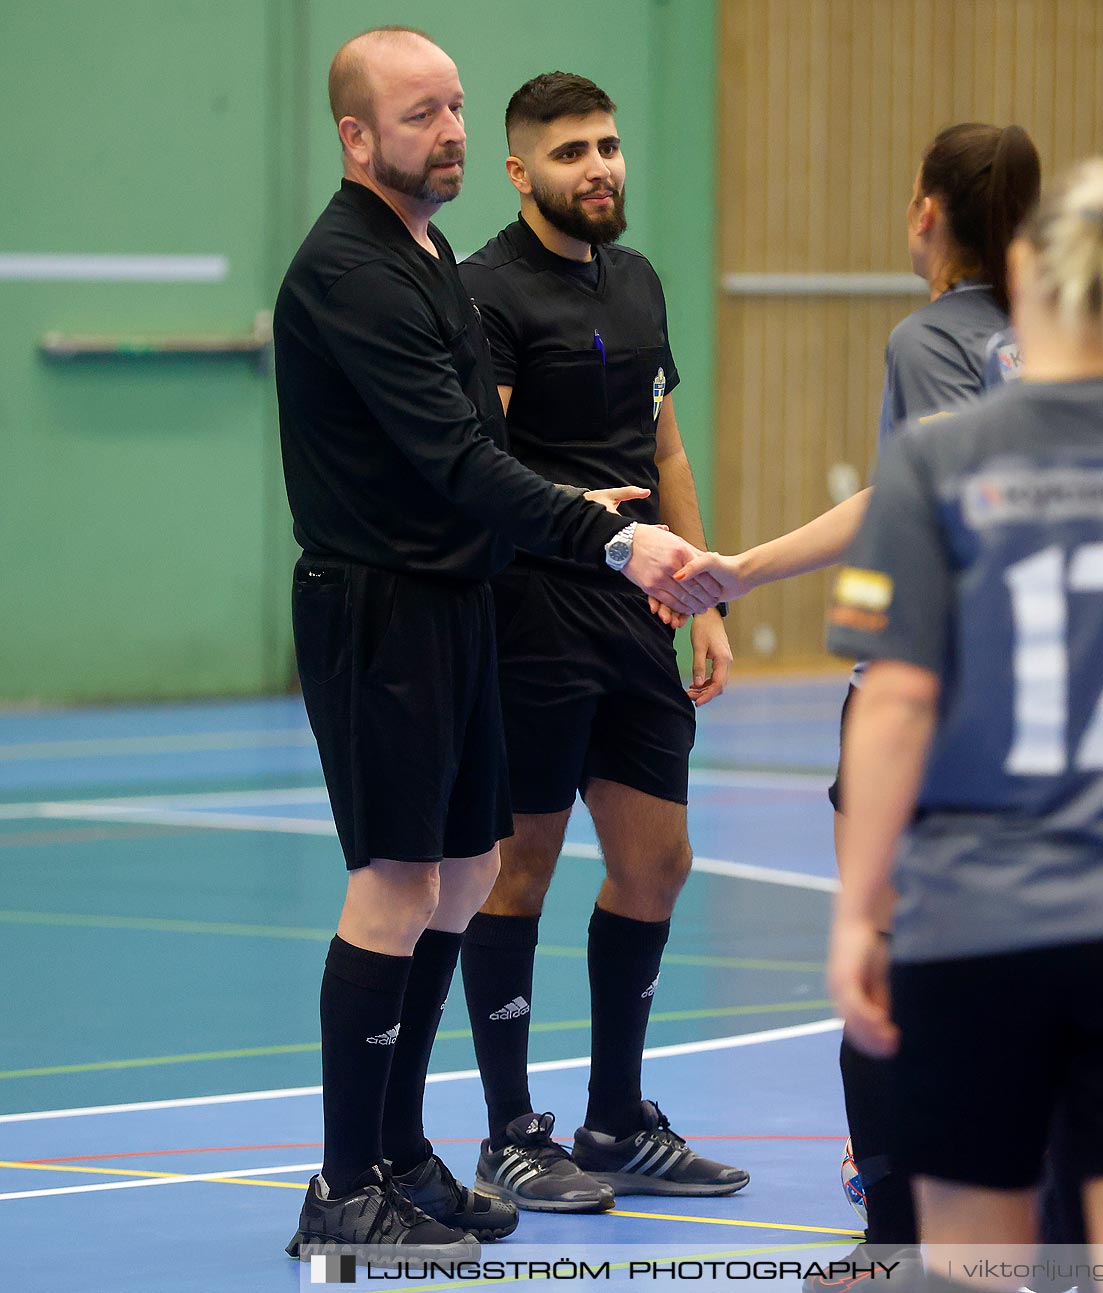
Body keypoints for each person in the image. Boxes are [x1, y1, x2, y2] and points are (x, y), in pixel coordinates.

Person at [273, 27, 709, 1256]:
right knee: (397, 883)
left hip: (458, 603)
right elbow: (462, 460)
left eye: (456, 107)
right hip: (380, 610)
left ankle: (403, 1153)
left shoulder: (421, 256)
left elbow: (487, 458)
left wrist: (599, 523)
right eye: (421, 115)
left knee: (462, 874)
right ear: (358, 137)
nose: (450, 131)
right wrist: (606, 538)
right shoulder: (350, 270)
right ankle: (341, 1189)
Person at [827, 157, 1103, 1293]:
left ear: (1019, 268)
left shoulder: (936, 460)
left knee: (974, 1268)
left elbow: (898, 701)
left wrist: (863, 912)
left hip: (979, 919)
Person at [682, 121, 1041, 1258]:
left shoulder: (928, 339)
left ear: (924, 211)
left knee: (881, 960)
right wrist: (742, 567)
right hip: (1046, 705)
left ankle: (894, 1243)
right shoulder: (1069, 341)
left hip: (932, 695)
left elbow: (927, 512)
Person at [455, 71, 746, 1211]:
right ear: (521, 171)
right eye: (571, 152)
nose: (601, 167)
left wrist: (706, 587)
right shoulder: (486, 295)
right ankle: (509, 1134)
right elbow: (487, 466)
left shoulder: (638, 281)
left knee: (656, 863)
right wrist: (588, 529)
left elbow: (664, 447)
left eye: (610, 146)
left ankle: (617, 1120)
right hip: (533, 614)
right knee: (516, 867)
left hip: (642, 612)